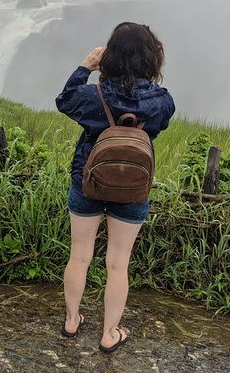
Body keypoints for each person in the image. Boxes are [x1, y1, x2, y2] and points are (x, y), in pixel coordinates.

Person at [55, 22, 175, 353]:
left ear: (110, 57)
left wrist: (85, 67)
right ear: (151, 58)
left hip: (88, 181)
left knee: (80, 255)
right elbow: (156, 129)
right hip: (134, 188)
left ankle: (71, 320)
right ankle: (109, 334)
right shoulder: (162, 101)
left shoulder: (92, 96)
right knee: (118, 263)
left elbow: (64, 100)